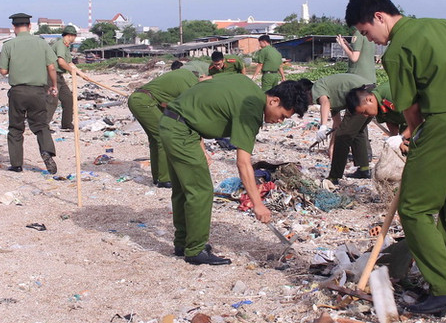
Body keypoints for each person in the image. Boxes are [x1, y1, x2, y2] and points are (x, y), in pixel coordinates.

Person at [345, 0, 446, 316]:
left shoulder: (397, 51)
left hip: (443, 125)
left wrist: (410, 135)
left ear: (380, 17)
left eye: (368, 33)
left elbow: (410, 113)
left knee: (415, 208)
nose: (374, 41)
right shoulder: (441, 25)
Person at [158, 74, 312, 265]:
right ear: (274, 100)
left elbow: (206, 86)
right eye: (282, 116)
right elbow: (243, 163)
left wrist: (201, 144)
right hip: (181, 132)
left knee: (184, 189)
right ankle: (195, 250)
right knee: (201, 191)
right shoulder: (252, 109)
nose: (279, 121)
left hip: (172, 122)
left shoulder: (247, 85)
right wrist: (258, 204)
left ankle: (184, 243)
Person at [0, 13, 58, 174]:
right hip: (38, 91)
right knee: (40, 125)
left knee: (16, 128)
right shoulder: (41, 43)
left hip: (17, 92)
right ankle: (46, 151)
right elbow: (51, 67)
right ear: (30, 26)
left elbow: (3, 71)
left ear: (14, 28)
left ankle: (17, 164)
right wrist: (54, 85)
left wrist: (12, 67)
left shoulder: (9, 45)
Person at [127, 66, 200, 188]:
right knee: (162, 137)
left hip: (139, 99)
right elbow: (187, 110)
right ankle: (164, 179)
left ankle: (157, 177)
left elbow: (167, 103)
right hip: (143, 102)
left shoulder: (181, 76)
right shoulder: (191, 84)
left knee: (155, 139)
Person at [310, 73, 374, 183]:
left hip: (364, 96)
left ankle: (334, 177)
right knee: (357, 131)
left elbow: (324, 102)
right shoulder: (334, 98)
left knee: (343, 136)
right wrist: (331, 147)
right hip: (369, 92)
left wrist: (323, 126)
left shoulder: (317, 87)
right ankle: (364, 169)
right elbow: (337, 125)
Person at [48, 25, 88, 131]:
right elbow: (61, 62)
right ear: (70, 36)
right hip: (52, 75)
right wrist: (72, 71)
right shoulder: (60, 44)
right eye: (74, 36)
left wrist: (81, 74)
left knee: (68, 99)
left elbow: (69, 63)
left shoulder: (66, 46)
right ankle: (44, 126)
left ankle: (66, 124)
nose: (74, 39)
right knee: (52, 101)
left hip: (59, 77)